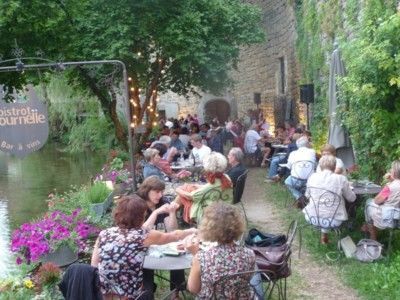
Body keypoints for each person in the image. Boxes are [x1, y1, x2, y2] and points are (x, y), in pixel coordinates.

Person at [91, 195, 196, 300]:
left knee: (144, 269)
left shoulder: (104, 234)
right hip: (130, 295)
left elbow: (94, 265)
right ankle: (173, 292)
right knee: (147, 274)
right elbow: (175, 236)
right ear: (141, 217)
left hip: (103, 293)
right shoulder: (143, 236)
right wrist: (192, 231)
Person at [185, 201, 256, 299]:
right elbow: (247, 279)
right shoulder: (250, 254)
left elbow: (193, 289)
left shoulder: (202, 257)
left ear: (209, 227)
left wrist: (195, 255)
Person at [136, 176, 185, 299]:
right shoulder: (138, 204)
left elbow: (172, 230)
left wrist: (172, 213)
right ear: (147, 191)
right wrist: (155, 212)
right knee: (144, 263)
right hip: (144, 245)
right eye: (157, 192)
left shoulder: (163, 202)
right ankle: (147, 292)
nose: (160, 195)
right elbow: (140, 232)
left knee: (177, 255)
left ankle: (176, 292)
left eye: (162, 191)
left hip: (162, 242)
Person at [303, 155, 356, 244]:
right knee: (345, 207)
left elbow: (307, 195)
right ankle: (350, 232)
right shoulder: (341, 179)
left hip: (312, 217)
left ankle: (324, 237)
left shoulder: (312, 177)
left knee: (323, 208)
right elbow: (351, 198)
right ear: (335, 166)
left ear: (320, 166)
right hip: (334, 221)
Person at [174, 152, 233, 223]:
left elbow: (191, 196)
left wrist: (178, 189)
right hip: (224, 207)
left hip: (209, 213)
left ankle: (171, 214)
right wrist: (196, 186)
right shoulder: (226, 177)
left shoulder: (211, 186)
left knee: (182, 195)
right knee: (189, 187)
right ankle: (173, 215)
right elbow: (213, 187)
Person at [363, 161, 400, 240]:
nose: (390, 170)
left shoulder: (390, 187)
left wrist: (389, 183)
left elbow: (377, 201)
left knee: (369, 202)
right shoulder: (393, 184)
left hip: (388, 219)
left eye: (391, 169)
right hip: (398, 218)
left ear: (395, 172)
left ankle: (372, 235)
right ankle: (367, 227)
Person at [284, 136, 316, 205]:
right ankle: (305, 197)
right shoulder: (312, 152)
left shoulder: (293, 153)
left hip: (296, 180)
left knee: (287, 182)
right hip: (310, 180)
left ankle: (300, 197)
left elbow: (288, 167)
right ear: (307, 144)